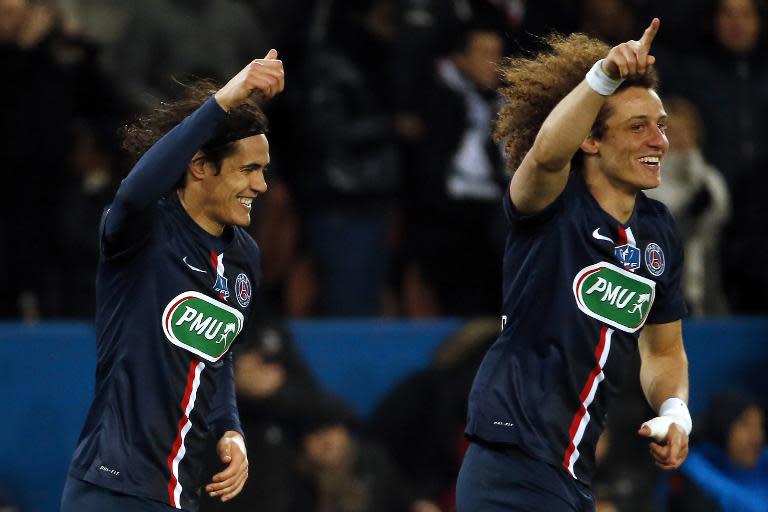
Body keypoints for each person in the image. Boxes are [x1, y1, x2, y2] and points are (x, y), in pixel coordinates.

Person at [456, 19, 691, 511]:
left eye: (661, 126)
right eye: (638, 127)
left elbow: (664, 350)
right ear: (590, 140)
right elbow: (544, 155)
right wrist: (602, 76)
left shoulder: (659, 232)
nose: (659, 142)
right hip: (512, 462)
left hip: (572, 470)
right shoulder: (551, 203)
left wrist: (675, 410)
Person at [61, 50, 285, 511]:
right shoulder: (143, 231)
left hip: (180, 496)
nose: (261, 186)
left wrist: (231, 429)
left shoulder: (244, 259)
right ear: (201, 167)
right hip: (111, 488)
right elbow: (134, 191)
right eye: (249, 169)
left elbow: (216, 361)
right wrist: (223, 100)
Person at [667, 391, 768, 512]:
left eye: (760, 427)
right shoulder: (690, 483)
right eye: (745, 425)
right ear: (723, 426)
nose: (757, 438)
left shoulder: (762, 470)